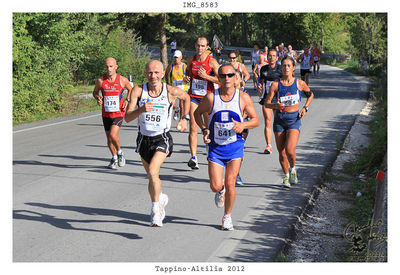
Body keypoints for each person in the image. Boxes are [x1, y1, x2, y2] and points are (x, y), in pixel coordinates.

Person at [193, 63, 260, 230]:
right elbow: (196, 113)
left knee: (231, 183)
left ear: (236, 77)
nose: (227, 78)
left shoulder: (243, 97)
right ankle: (220, 190)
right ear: (219, 79)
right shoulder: (211, 97)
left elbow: (255, 120)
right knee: (215, 185)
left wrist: (242, 126)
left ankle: (227, 217)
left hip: (235, 146)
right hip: (215, 147)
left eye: (230, 75)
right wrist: (204, 129)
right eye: (222, 76)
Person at [124, 60, 190, 227]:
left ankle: (155, 211)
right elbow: (127, 117)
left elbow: (187, 98)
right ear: (145, 74)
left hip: (162, 138)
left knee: (153, 171)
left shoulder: (170, 91)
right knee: (151, 177)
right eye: (150, 73)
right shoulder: (138, 91)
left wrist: (184, 118)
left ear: (162, 74)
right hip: (143, 139)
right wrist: (140, 110)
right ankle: (159, 198)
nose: (153, 76)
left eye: (156, 73)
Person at [264, 56, 314, 188]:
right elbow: (266, 103)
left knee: (290, 150)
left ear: (293, 68)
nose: (286, 68)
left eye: (288, 66)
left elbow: (311, 95)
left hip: (294, 120)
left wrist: (305, 108)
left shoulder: (299, 83)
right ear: (281, 68)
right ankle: (286, 176)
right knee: (281, 152)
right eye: (284, 66)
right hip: (279, 121)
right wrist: (275, 106)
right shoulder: (276, 85)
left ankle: (293, 169)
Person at [184, 37, 220, 170]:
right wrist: (186, 77)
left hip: (207, 98)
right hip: (193, 96)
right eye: (198, 46)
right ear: (195, 46)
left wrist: (207, 77)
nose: (200, 48)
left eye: (202, 46)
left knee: (208, 127)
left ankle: (209, 148)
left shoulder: (211, 62)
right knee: (193, 127)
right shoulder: (190, 60)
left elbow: (221, 81)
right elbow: (187, 74)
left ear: (207, 47)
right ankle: (193, 157)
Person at [93, 57, 133, 169]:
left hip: (119, 113)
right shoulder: (101, 80)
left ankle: (120, 154)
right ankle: (114, 158)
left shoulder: (122, 80)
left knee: (113, 134)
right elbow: (95, 92)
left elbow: (131, 90)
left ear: (116, 67)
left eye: (111, 66)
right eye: (107, 66)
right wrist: (98, 97)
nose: (109, 69)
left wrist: (127, 100)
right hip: (106, 113)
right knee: (109, 139)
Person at [257, 49, 282, 154]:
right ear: (267, 58)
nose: (271, 58)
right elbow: (261, 82)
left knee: (278, 122)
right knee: (268, 120)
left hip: (278, 99)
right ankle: (269, 145)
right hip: (267, 98)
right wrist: (260, 88)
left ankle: (280, 143)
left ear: (277, 58)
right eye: (270, 56)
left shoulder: (281, 69)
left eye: (274, 56)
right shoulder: (263, 69)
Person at [165, 50, 189, 120]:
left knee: (182, 105)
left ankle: (181, 120)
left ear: (181, 57)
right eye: (175, 57)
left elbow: (189, 76)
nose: (176, 59)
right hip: (174, 88)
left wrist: (187, 79)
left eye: (177, 57)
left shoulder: (185, 66)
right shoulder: (171, 66)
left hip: (182, 88)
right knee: (173, 104)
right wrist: (168, 84)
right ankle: (176, 110)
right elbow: (166, 74)